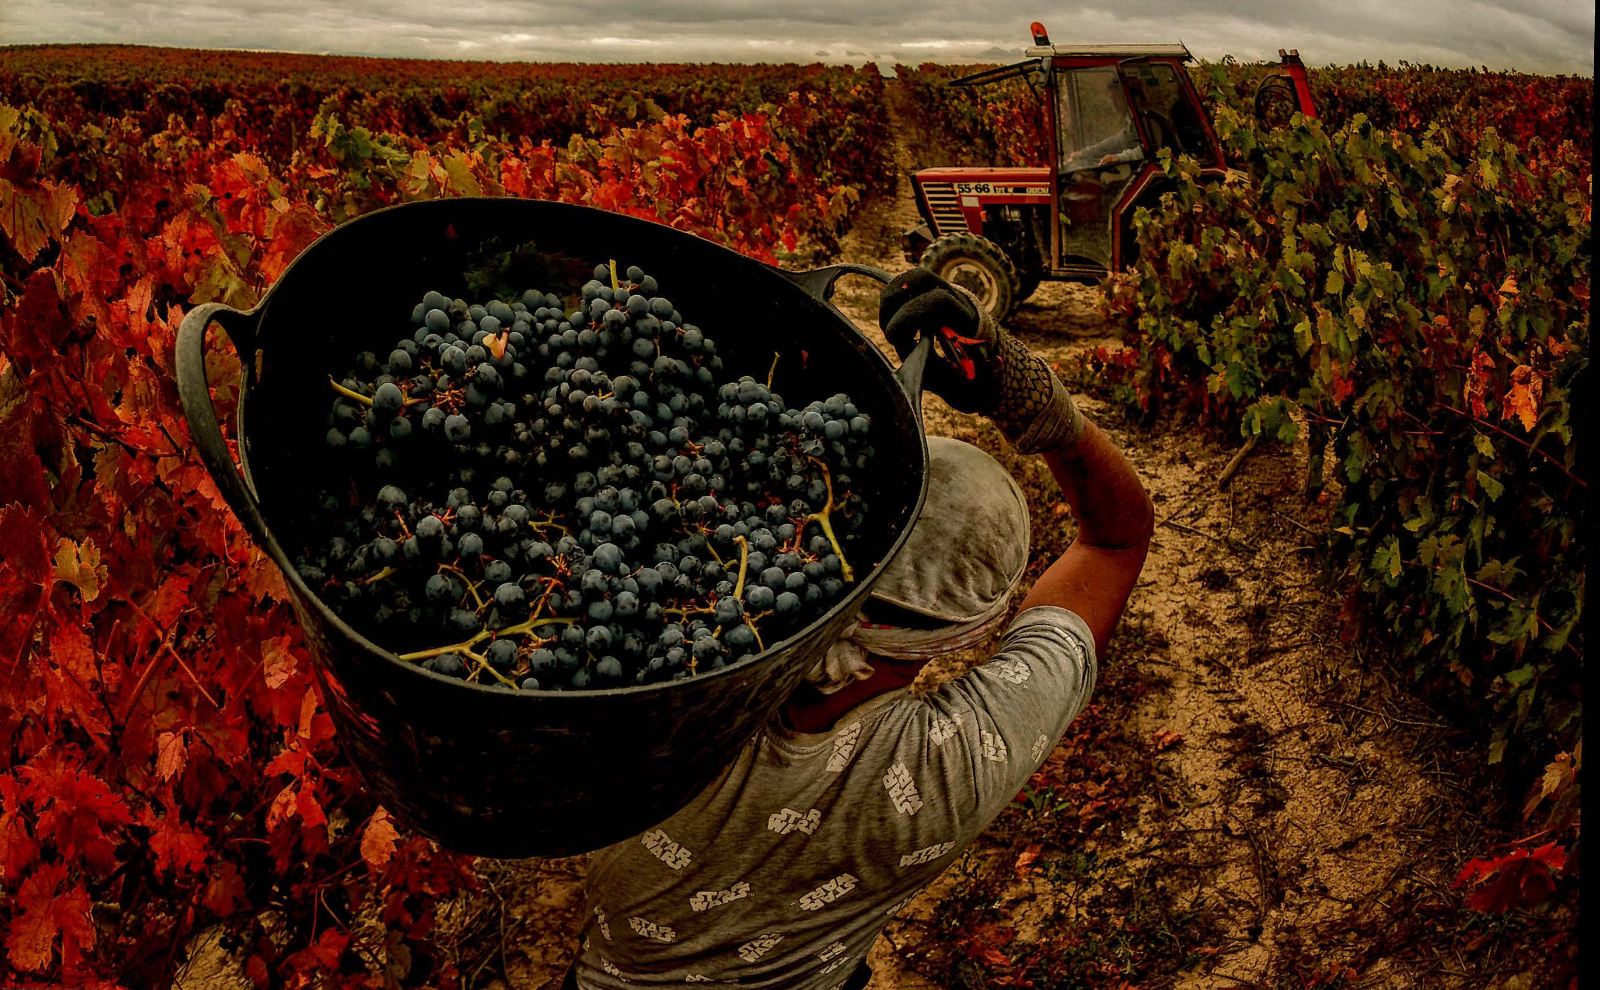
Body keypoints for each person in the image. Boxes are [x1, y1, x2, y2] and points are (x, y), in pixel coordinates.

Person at [564, 269, 1155, 990]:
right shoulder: (951, 773)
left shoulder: (657, 697)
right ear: (959, 637)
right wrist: (1032, 401)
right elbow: (1116, 542)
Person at [1063, 74, 1145, 170]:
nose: (1113, 102)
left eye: (1116, 97)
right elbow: (1118, 141)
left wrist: (1119, 158)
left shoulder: (1147, 120)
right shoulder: (1132, 120)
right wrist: (1086, 153)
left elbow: (1153, 150)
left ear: (1129, 97)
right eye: (1112, 98)